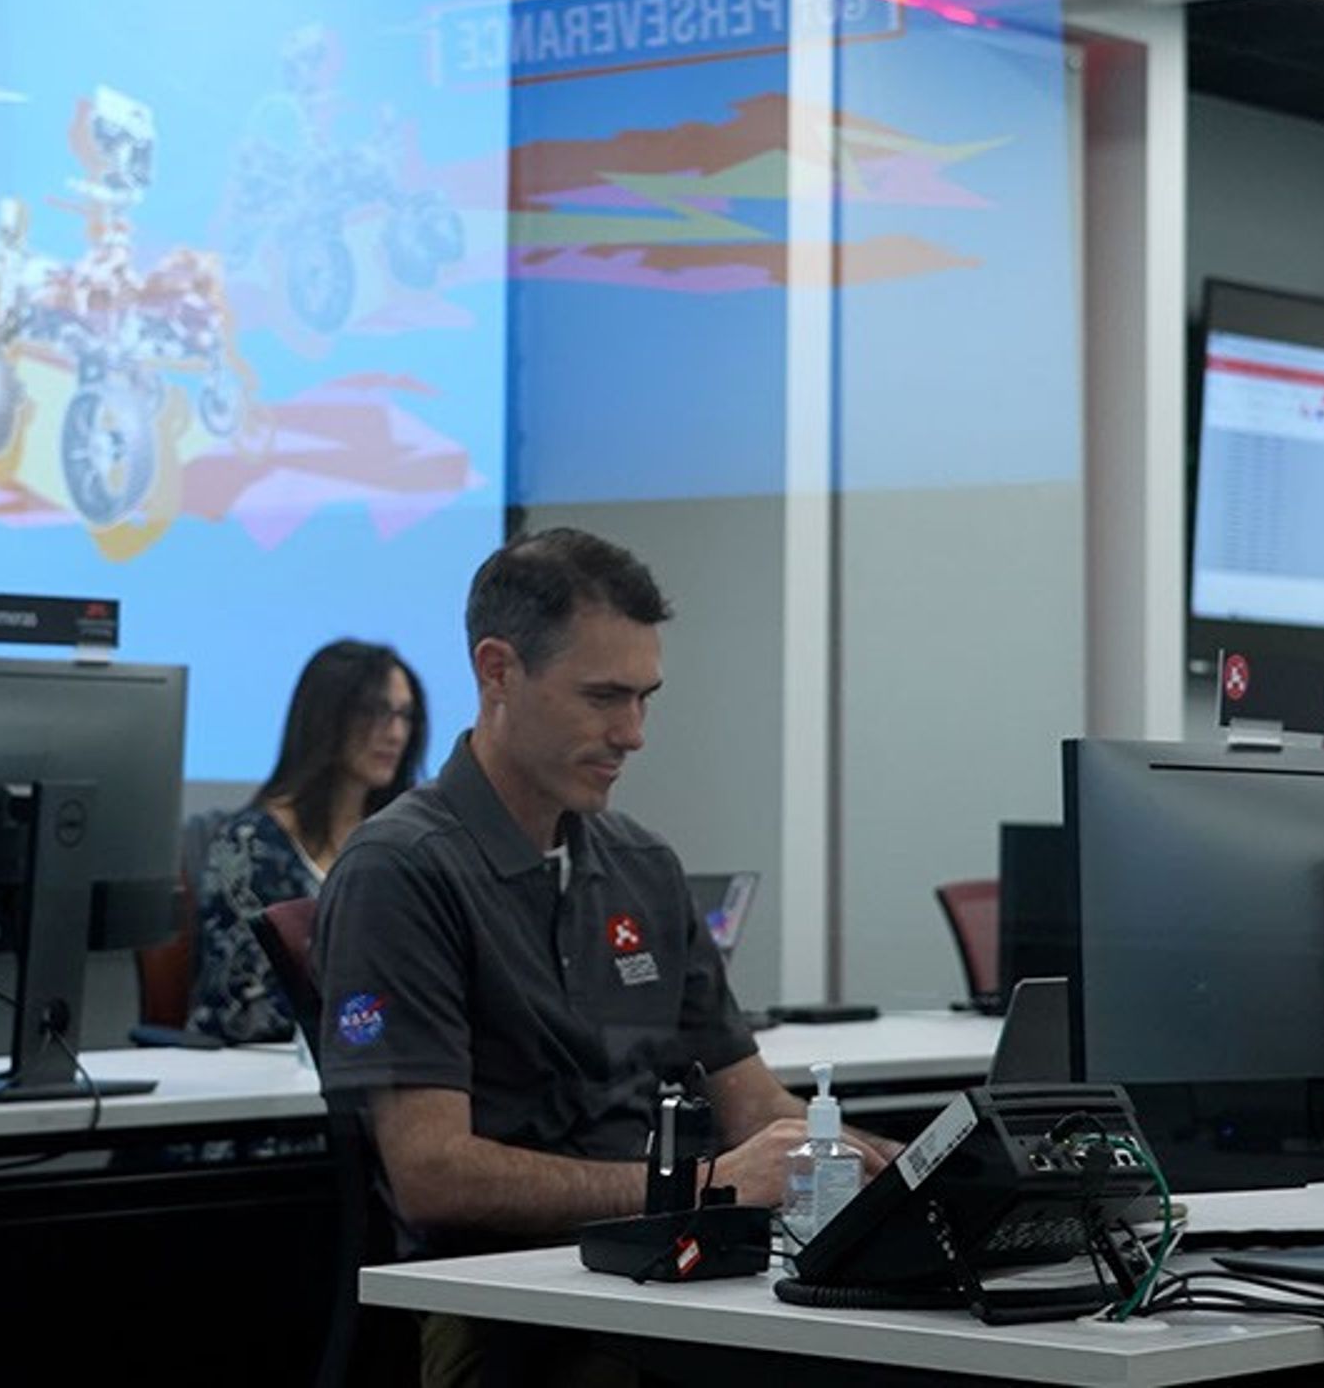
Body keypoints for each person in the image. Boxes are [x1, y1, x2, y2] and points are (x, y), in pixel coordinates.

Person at [316, 529, 889, 1357]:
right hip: (511, 1307)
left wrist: (921, 1168)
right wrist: (709, 1186)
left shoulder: (640, 865)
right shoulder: (400, 872)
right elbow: (433, 1173)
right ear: (498, 672)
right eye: (603, 697)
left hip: (669, 1275)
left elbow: (756, 1108)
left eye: (645, 697)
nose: (634, 733)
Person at [187, 639, 428, 1042]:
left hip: (379, 1063)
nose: (395, 733)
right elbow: (245, 1001)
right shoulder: (250, 845)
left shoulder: (403, 842)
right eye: (375, 712)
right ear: (326, 719)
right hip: (262, 1072)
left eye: (405, 715)